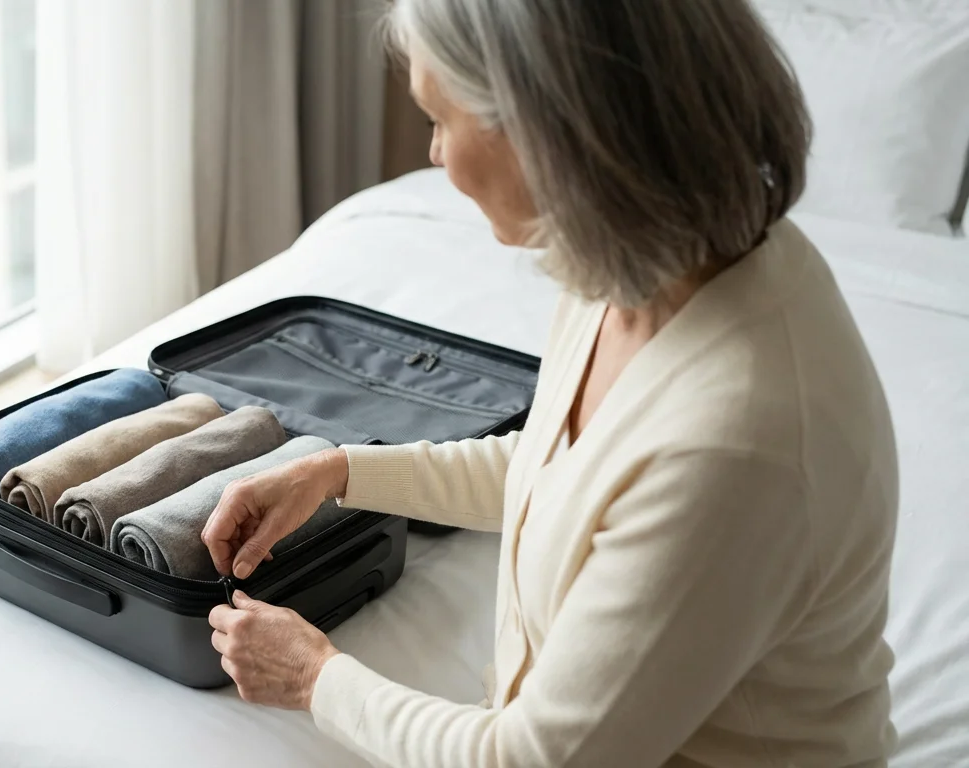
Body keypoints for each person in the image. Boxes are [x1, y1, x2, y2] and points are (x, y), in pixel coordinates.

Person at [200, 0, 899, 765]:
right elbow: (568, 470)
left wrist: (314, 677)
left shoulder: (736, 441)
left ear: (548, 133)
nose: (434, 154)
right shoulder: (637, 266)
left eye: (439, 118)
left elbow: (535, 760)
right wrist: (338, 472)